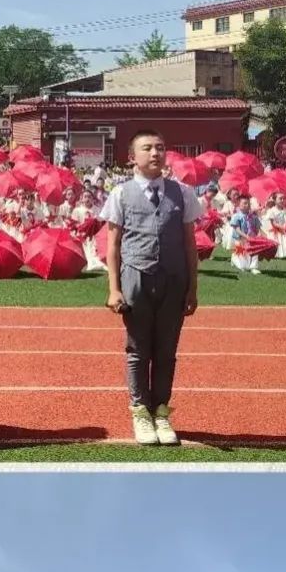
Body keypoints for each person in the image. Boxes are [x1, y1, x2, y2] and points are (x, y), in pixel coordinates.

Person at [104, 124, 199, 452]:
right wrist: (114, 289)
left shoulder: (183, 193)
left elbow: (190, 244)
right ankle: (139, 411)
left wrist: (192, 289)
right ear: (132, 157)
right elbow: (113, 245)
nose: (156, 153)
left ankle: (161, 411)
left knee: (166, 351)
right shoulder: (120, 193)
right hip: (136, 278)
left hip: (173, 280)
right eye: (148, 148)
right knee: (137, 350)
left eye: (160, 147)